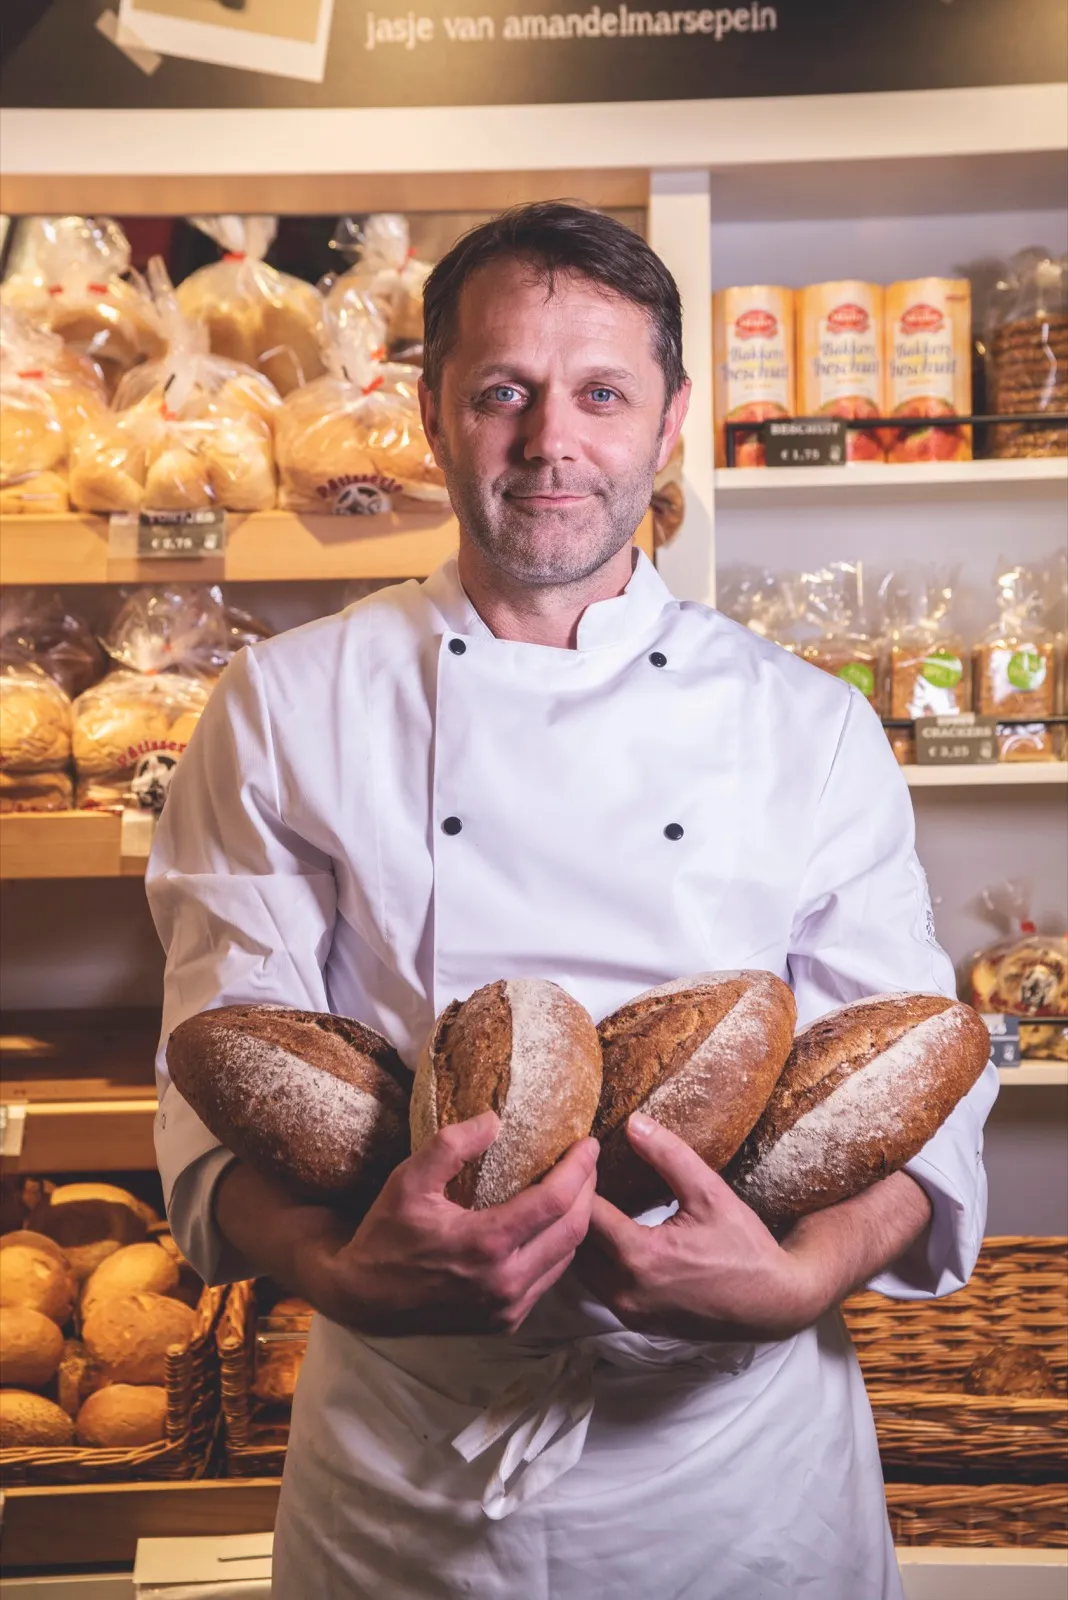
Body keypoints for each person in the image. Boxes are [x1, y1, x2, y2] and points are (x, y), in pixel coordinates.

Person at [147, 203, 998, 1600]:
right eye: (503, 392)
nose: (552, 441)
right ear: (433, 413)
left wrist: (799, 1280)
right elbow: (216, 1082)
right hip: (409, 1481)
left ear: (669, 426)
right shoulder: (285, 710)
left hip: (734, 1480)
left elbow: (912, 1087)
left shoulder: (808, 726)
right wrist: (340, 1270)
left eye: (602, 393)